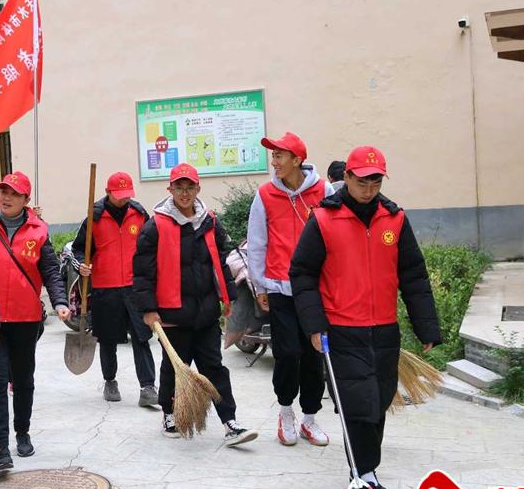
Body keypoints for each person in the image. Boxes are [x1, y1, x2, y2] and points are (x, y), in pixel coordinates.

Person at [289, 145, 441, 489]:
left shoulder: (395, 219)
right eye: (361, 181)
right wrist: (314, 325)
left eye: (376, 182)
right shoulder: (323, 219)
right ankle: (365, 479)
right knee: (358, 407)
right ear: (347, 177)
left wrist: (426, 326)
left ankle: (365, 467)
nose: (369, 189)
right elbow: (302, 274)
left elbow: (413, 275)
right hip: (341, 330)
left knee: (378, 403)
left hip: (384, 330)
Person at [133, 163, 258, 447]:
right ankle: (169, 414)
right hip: (172, 315)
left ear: (198, 189)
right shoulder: (155, 226)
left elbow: (221, 262)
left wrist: (227, 297)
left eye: (190, 187)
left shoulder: (209, 221)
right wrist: (148, 309)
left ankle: (230, 422)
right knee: (175, 368)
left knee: (214, 367)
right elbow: (142, 273)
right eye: (179, 187)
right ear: (170, 189)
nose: (185, 193)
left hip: (206, 313)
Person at [0, 171, 70, 471]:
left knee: (23, 379)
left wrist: (60, 301)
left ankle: (22, 431)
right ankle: (1, 446)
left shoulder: (39, 231)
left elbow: (50, 270)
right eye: (3, 191)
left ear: (26, 199)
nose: (6, 198)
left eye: (14, 194)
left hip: (25, 318)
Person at [247, 132, 332, 448]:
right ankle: (285, 413)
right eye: (273, 156)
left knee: (313, 355)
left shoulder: (324, 191)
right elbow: (257, 242)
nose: (274, 162)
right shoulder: (265, 195)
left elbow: (335, 238)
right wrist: (259, 284)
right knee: (287, 353)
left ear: (297, 159)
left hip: (315, 290)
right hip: (279, 287)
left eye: (280, 155)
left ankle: (309, 418)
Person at [73, 171, 157, 406]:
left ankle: (148, 386)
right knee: (107, 339)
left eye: (127, 195)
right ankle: (110, 381)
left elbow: (151, 247)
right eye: (119, 195)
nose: (123, 199)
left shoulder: (139, 214)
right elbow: (78, 249)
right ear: (108, 192)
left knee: (141, 337)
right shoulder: (94, 217)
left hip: (134, 286)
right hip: (105, 287)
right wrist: (81, 265)